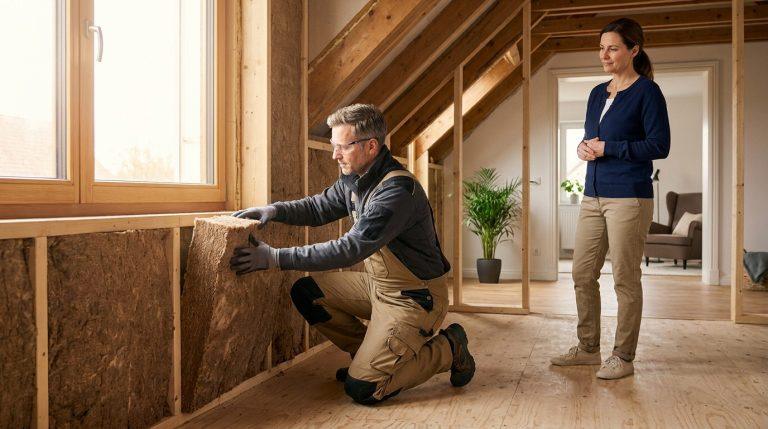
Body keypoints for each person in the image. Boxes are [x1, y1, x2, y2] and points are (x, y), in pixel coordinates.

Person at [229, 104, 475, 404]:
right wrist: (274, 210)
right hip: (378, 287)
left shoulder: (396, 192)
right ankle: (367, 358)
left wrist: (275, 258)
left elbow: (350, 248)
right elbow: (318, 208)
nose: (335, 155)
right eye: (334, 146)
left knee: (364, 389)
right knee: (308, 293)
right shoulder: (356, 177)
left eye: (342, 147)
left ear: (371, 146)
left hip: (415, 297)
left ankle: (448, 348)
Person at [550, 18, 670, 379]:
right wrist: (583, 148)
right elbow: (593, 138)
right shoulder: (596, 94)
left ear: (634, 50)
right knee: (581, 273)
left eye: (613, 48)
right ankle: (588, 349)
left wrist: (609, 148)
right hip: (592, 195)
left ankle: (623, 356)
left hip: (629, 197)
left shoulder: (647, 92)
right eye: (601, 48)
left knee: (624, 278)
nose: (604, 55)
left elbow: (659, 145)